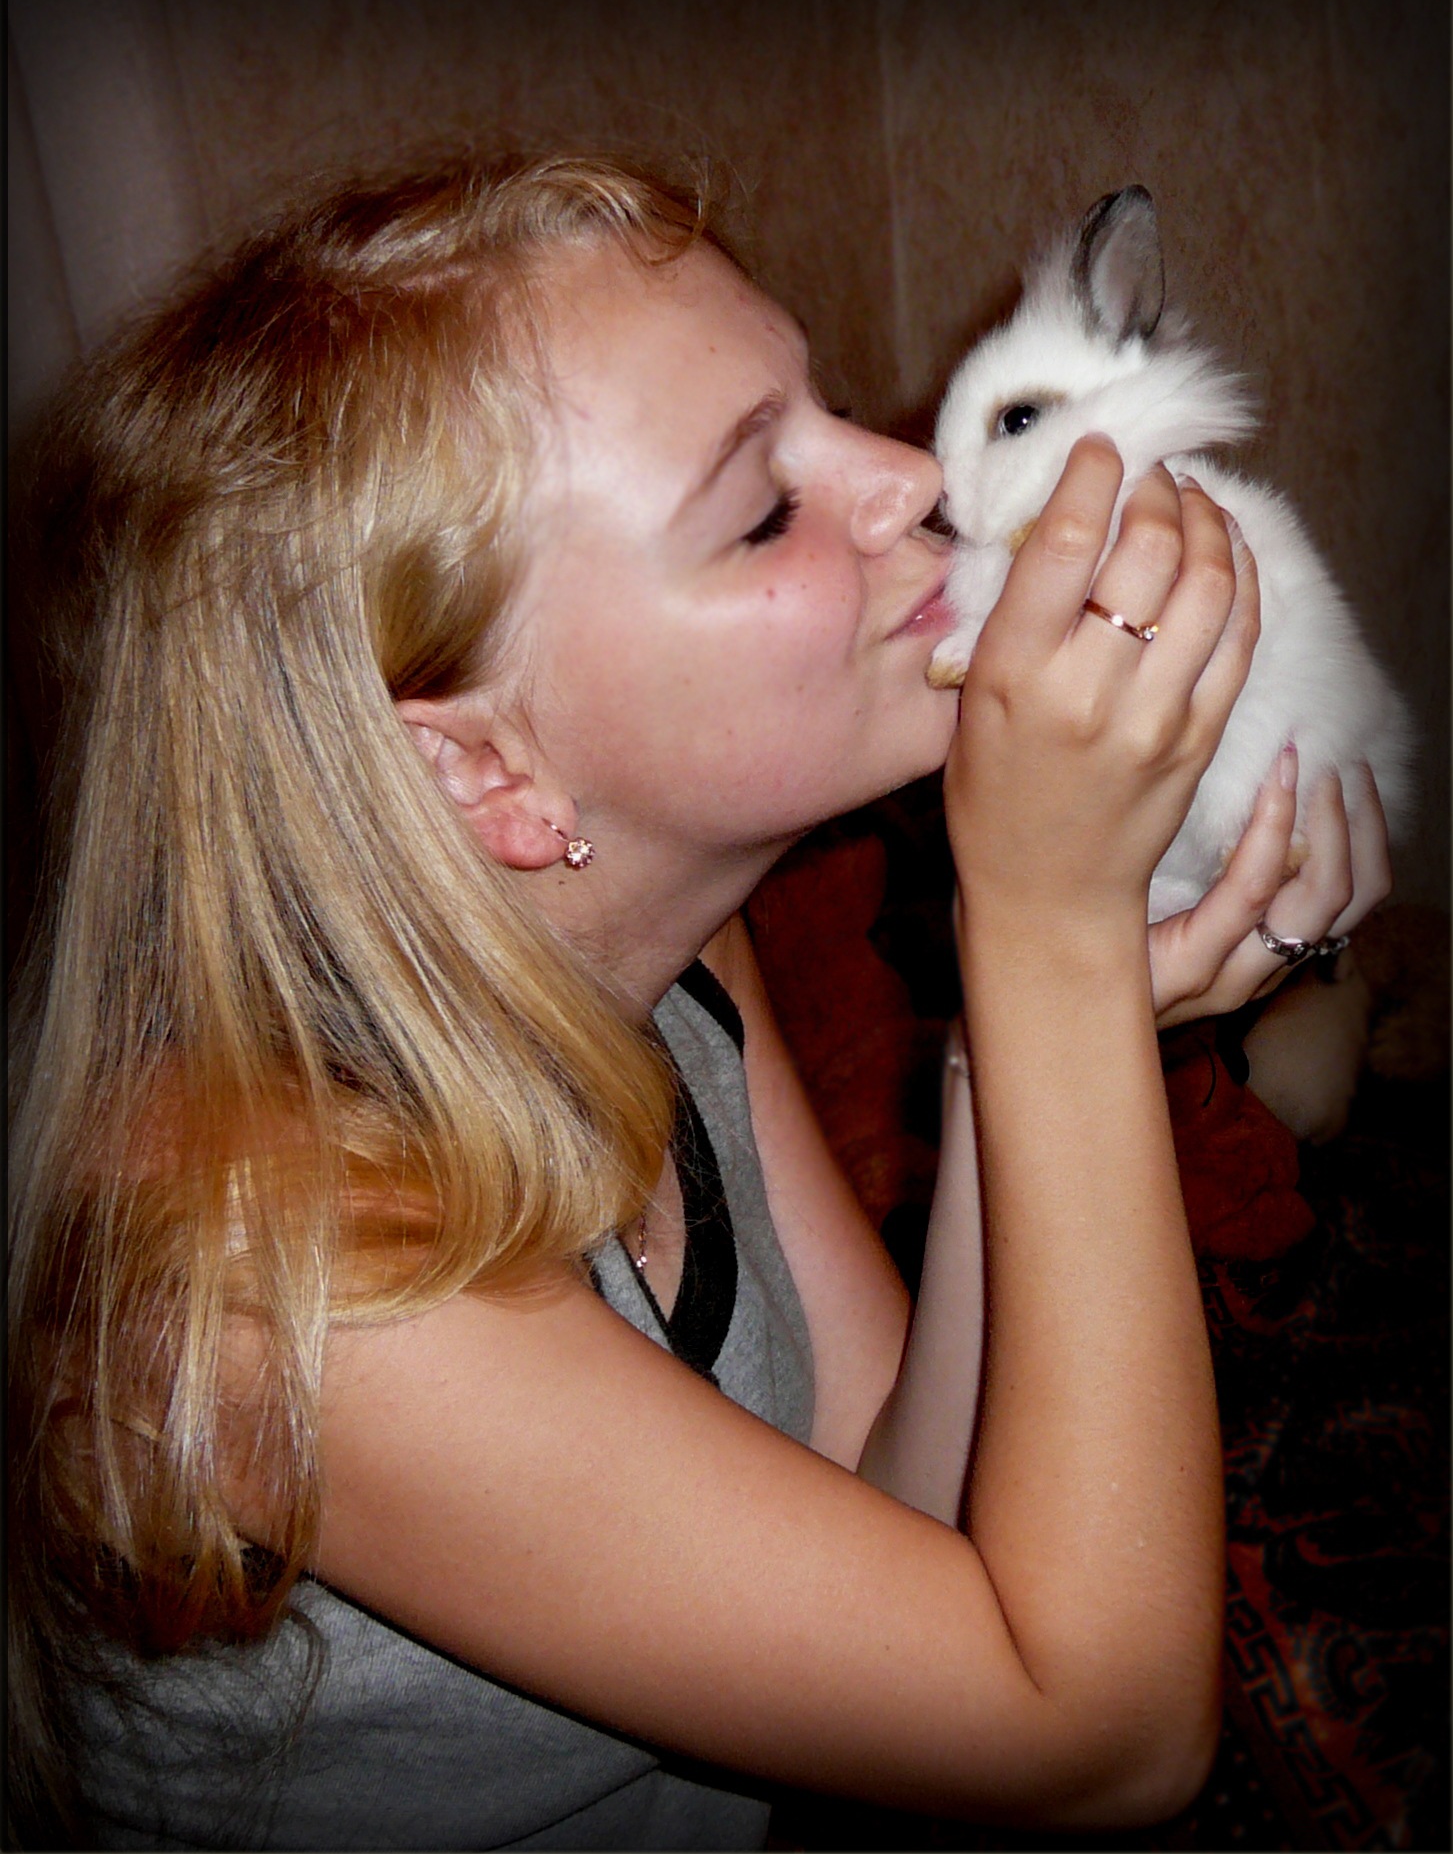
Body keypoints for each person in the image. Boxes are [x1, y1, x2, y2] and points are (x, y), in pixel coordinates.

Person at [7, 155, 1390, 1852]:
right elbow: (1104, 1733)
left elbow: (890, 1497)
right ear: (483, 771)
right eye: (761, 508)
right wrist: (1054, 949)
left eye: (828, 410)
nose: (911, 475)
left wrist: (1016, 1041)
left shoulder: (673, 974)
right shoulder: (279, 1295)